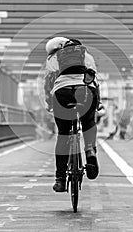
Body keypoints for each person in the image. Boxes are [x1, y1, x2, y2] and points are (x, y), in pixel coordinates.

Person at [44, 36, 100, 192]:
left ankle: (60, 179)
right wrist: (98, 102)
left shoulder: (54, 58)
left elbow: (48, 82)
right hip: (86, 91)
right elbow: (95, 80)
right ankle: (89, 150)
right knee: (88, 122)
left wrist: (50, 103)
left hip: (62, 93)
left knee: (63, 134)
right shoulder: (87, 57)